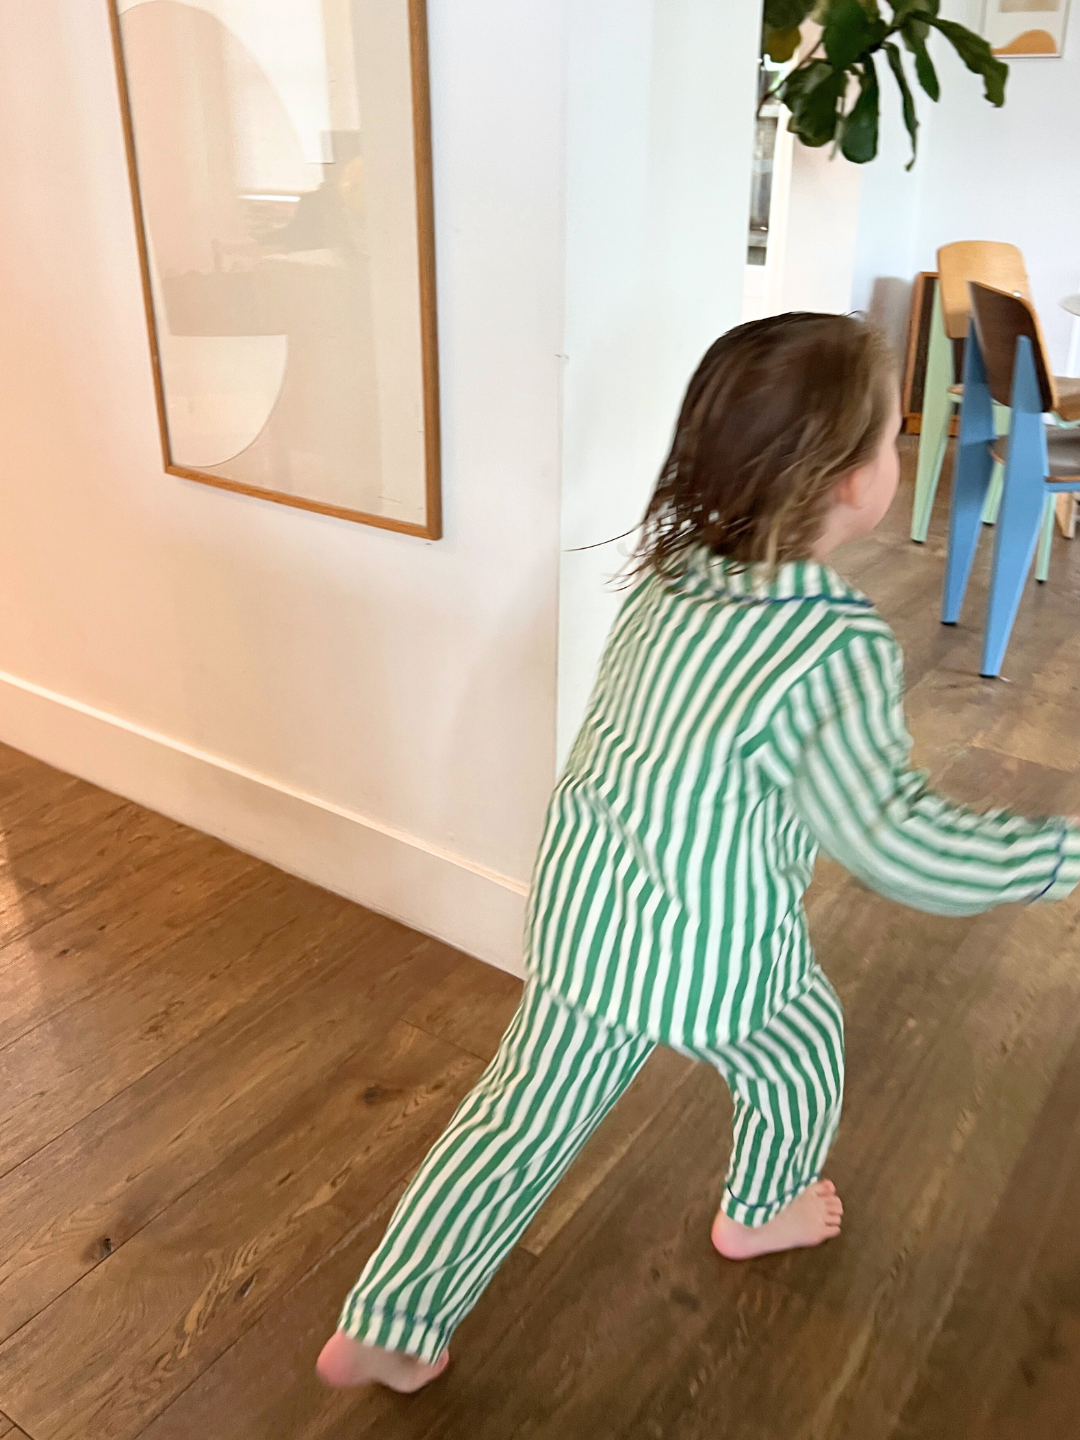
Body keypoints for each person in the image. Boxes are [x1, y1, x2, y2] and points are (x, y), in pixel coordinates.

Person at [316, 313, 1080, 1394]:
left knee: (520, 1116)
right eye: (887, 435)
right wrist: (1059, 856)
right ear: (853, 480)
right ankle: (761, 1212)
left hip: (588, 907)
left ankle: (391, 1318)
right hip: (714, 948)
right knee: (799, 1047)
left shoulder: (670, 576)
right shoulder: (832, 642)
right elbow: (900, 845)